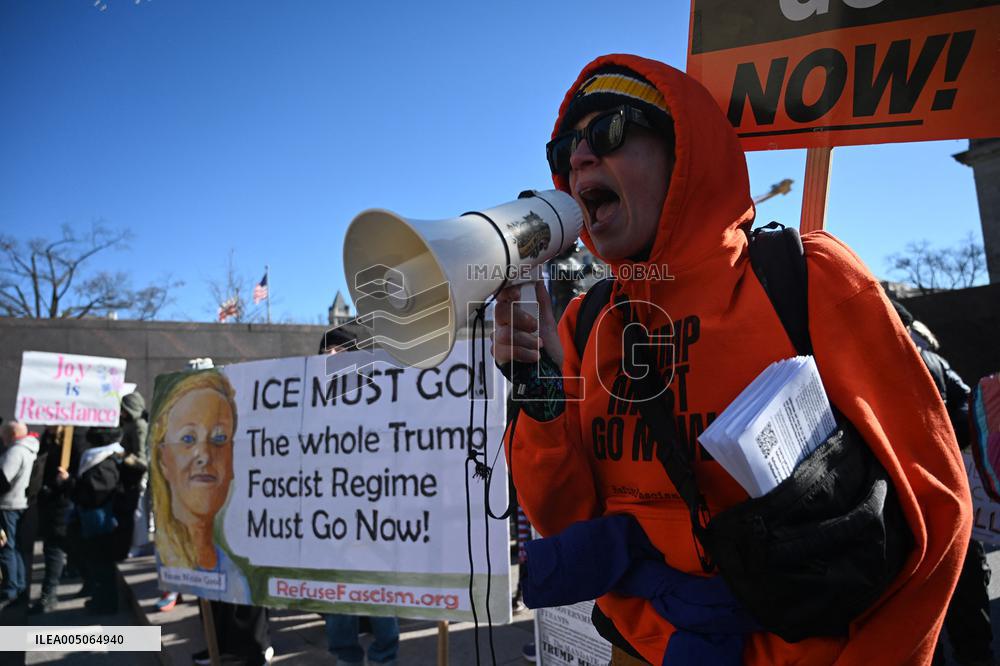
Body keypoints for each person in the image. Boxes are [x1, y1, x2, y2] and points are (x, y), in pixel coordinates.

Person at [491, 54, 971, 665]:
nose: (579, 159)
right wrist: (539, 387)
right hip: (639, 651)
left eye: (609, 131)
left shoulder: (809, 279)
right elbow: (565, 517)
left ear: (684, 154)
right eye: (564, 150)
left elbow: (936, 511)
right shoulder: (584, 322)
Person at [891, 302, 995, 666]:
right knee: (967, 597)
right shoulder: (933, 362)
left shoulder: (870, 364)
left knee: (921, 615)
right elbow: (970, 414)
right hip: (950, 493)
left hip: (903, 509)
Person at [148, 369, 271, 665]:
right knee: (212, 592)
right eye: (188, 438)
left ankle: (248, 648)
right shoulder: (178, 540)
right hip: (210, 541)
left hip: (241, 526)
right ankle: (219, 644)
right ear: (163, 456)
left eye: (218, 438)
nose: (203, 454)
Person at [319, 328, 401, 666]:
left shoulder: (377, 398)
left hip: (374, 513)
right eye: (325, 351)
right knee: (338, 600)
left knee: (378, 590)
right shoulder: (315, 403)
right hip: (330, 515)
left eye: (338, 350)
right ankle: (346, 658)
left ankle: (384, 656)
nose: (330, 356)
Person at [0, 420, 39, 610]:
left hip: (8, 504)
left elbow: (3, 479)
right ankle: (19, 585)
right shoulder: (31, 448)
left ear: (11, 435)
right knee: (15, 548)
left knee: (6, 547)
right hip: (20, 503)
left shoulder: (15, 452)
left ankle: (11, 588)